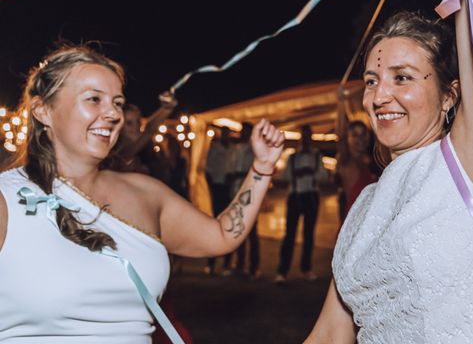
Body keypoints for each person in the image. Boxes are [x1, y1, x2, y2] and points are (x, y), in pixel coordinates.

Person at [0, 45, 284, 343]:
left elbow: (222, 235)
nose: (113, 114)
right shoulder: (8, 200)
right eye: (94, 99)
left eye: (118, 103)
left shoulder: (145, 193)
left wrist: (262, 168)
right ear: (44, 110)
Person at [305, 0, 473, 343]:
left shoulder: (466, 163)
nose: (380, 97)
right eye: (372, 81)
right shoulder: (364, 205)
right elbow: (331, 333)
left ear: (449, 96)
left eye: (402, 78)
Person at [274, 125, 328, 283]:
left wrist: (311, 173)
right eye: (303, 136)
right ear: (300, 138)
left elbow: (324, 177)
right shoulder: (292, 157)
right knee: (289, 235)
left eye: (307, 136)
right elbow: (285, 177)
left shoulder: (317, 156)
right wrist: (301, 173)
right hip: (295, 195)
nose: (305, 139)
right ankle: (282, 272)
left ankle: (306, 269)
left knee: (309, 235)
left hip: (311, 196)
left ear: (311, 138)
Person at [335, 90, 377, 222]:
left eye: (363, 134)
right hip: (353, 222)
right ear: (347, 139)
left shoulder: (374, 161)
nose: (359, 139)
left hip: (371, 221)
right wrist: (341, 103)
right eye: (354, 134)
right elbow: (341, 135)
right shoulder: (346, 160)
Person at [228, 122, 261, 278]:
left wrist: (239, 175)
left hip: (250, 195)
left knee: (252, 232)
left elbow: (253, 172)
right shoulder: (237, 149)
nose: (243, 134)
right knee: (238, 228)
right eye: (242, 131)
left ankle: (254, 267)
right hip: (236, 192)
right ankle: (240, 265)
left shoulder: (254, 149)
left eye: (246, 131)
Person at [204, 126, 233, 275]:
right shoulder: (214, 148)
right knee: (216, 225)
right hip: (218, 188)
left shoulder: (233, 149)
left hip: (230, 190)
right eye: (225, 133)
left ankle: (227, 264)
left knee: (229, 225)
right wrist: (212, 188)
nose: (226, 136)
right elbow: (207, 170)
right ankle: (211, 263)